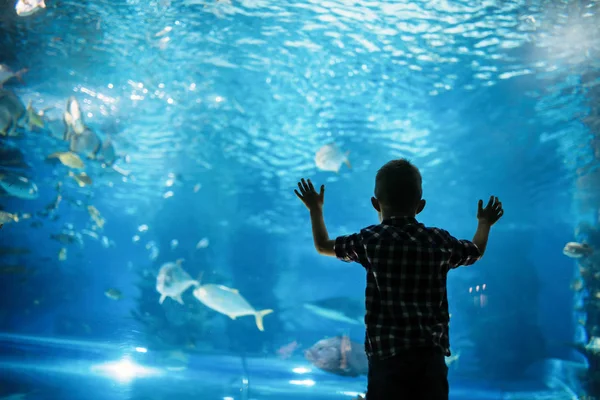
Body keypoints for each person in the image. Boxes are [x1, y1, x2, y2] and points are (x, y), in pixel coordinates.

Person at [294, 159, 504, 400]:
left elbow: (323, 246)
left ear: (375, 203)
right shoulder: (438, 241)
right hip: (429, 359)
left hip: (387, 359)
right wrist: (485, 223)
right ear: (421, 205)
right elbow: (475, 251)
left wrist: (315, 209)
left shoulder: (370, 240)